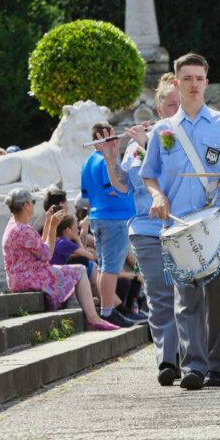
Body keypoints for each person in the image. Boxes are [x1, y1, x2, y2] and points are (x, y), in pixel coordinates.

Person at [141, 52, 220, 390]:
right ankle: (193, 366)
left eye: (198, 78)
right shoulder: (163, 131)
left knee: (218, 303)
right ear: (176, 82)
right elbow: (149, 175)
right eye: (186, 78)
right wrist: (157, 196)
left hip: (215, 222)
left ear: (205, 81)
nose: (193, 84)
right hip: (178, 226)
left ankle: (216, 366)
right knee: (185, 300)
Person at [121, 74, 182, 385]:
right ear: (159, 109)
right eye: (170, 104)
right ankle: (167, 360)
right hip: (146, 228)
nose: (176, 109)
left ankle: (190, 355)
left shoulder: (186, 138)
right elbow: (122, 184)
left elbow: (179, 180)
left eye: (180, 104)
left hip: (182, 227)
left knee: (185, 294)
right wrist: (109, 157)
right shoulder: (136, 145)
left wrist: (151, 147)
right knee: (159, 293)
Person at [2, 188, 118, 331]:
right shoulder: (23, 229)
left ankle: (89, 312)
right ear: (26, 206)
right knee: (80, 270)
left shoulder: (15, 225)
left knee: (77, 270)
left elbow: (40, 248)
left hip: (21, 276)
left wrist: (50, 222)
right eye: (32, 202)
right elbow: (46, 254)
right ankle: (93, 318)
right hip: (27, 277)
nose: (33, 205)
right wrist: (53, 226)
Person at [80, 123, 142, 327]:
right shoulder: (103, 162)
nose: (116, 140)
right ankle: (108, 311)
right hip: (114, 218)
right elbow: (115, 188)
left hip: (99, 216)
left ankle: (108, 309)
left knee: (105, 266)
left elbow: (86, 196)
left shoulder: (87, 162)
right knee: (111, 268)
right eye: (112, 137)